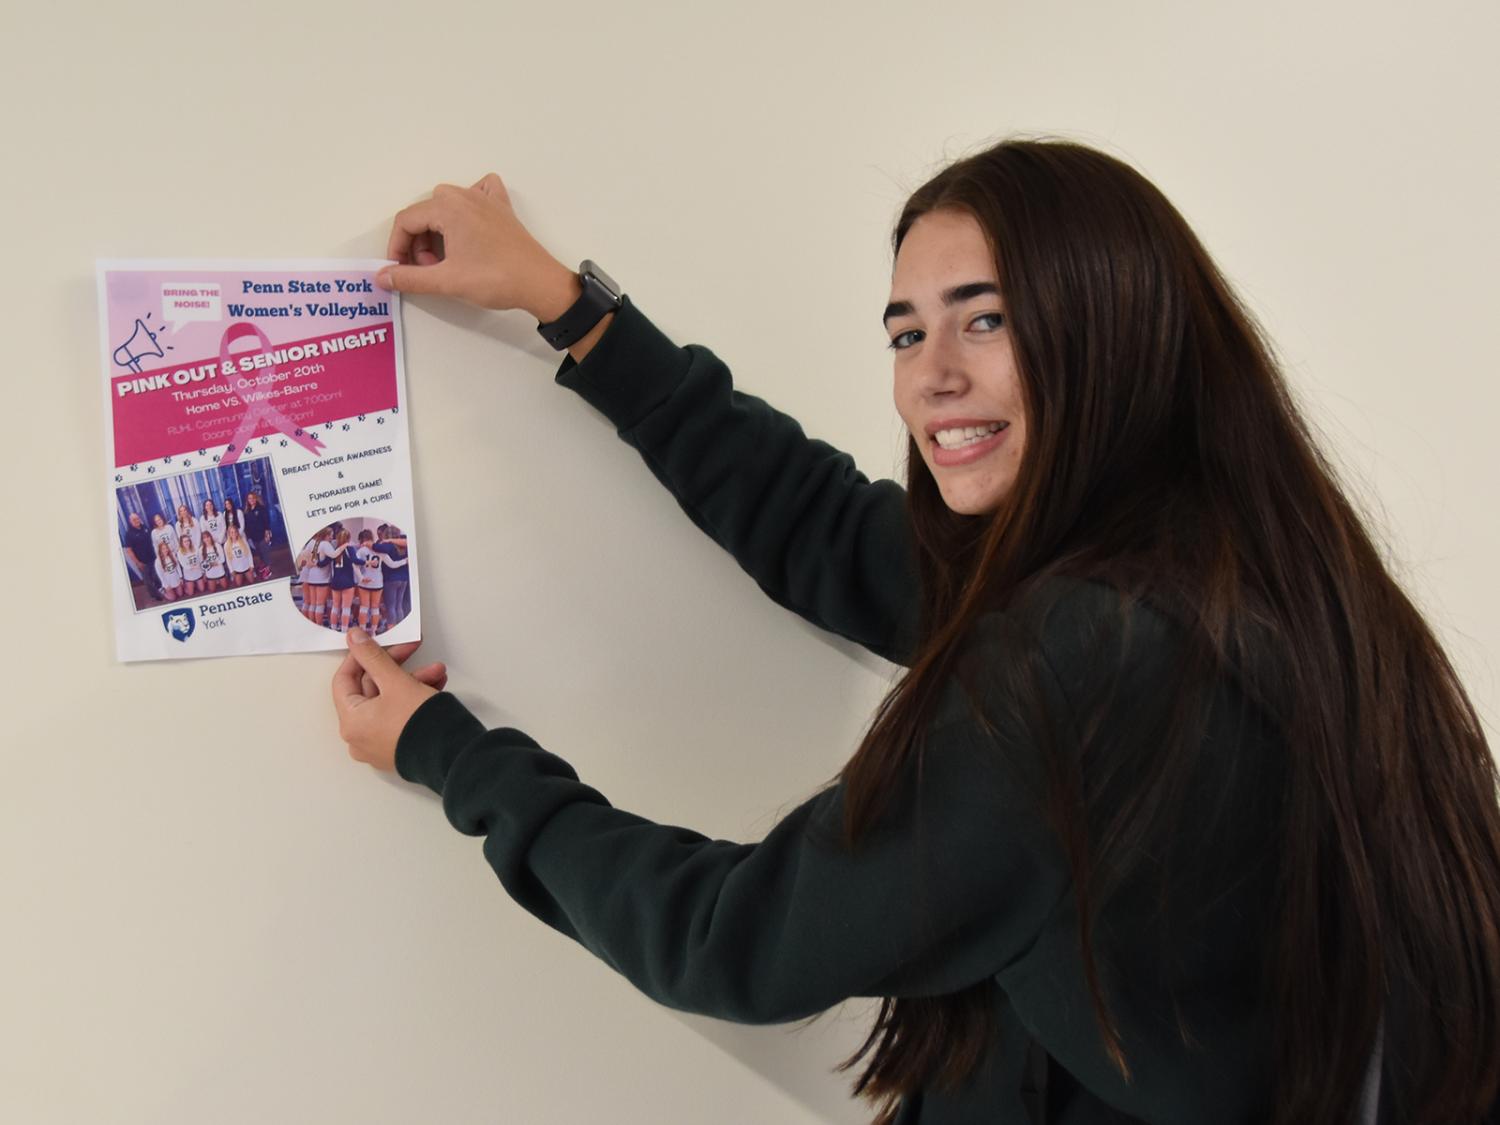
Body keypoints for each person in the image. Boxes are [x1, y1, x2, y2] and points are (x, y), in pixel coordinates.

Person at [328, 150, 1500, 1124]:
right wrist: (570, 308)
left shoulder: (1080, 665)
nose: (930, 379)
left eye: (984, 321)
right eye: (904, 333)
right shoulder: (1242, 566)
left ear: (1111, 328)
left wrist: (450, 751)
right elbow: (828, 531)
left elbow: (732, 940)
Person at [121, 511, 160, 602]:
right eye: (134, 519)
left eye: (137, 518)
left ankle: (160, 590)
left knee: (156, 576)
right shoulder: (129, 534)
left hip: (153, 558)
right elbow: (129, 551)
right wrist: (137, 563)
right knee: (148, 580)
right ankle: (155, 596)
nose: (136, 520)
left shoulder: (145, 528)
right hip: (142, 562)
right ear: (130, 521)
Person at [324, 528, 357, 632]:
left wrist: (314, 562)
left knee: (335, 606)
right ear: (349, 538)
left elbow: (323, 562)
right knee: (346, 608)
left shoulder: (334, 550)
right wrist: (367, 562)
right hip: (347, 582)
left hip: (336, 581)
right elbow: (355, 561)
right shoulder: (350, 549)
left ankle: (333, 628)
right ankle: (344, 630)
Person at [244, 491, 274, 579]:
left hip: (262, 536)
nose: (251, 500)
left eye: (253, 498)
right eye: (249, 498)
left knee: (265, 554)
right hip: (254, 537)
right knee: (260, 554)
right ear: (247, 500)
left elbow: (266, 522)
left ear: (256, 498)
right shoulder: (247, 511)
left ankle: (268, 571)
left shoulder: (261, 508)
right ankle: (263, 568)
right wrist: (249, 537)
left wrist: (267, 533)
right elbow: (247, 526)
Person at [223, 523, 254, 587]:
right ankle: (241, 577)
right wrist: (231, 570)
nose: (233, 534)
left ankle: (246, 575)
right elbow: (228, 560)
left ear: (237, 532)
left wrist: (251, 565)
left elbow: (249, 554)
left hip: (246, 566)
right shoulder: (226, 545)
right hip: (236, 568)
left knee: (252, 581)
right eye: (231, 532)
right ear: (229, 534)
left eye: (235, 532)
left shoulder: (243, 540)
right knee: (238, 584)